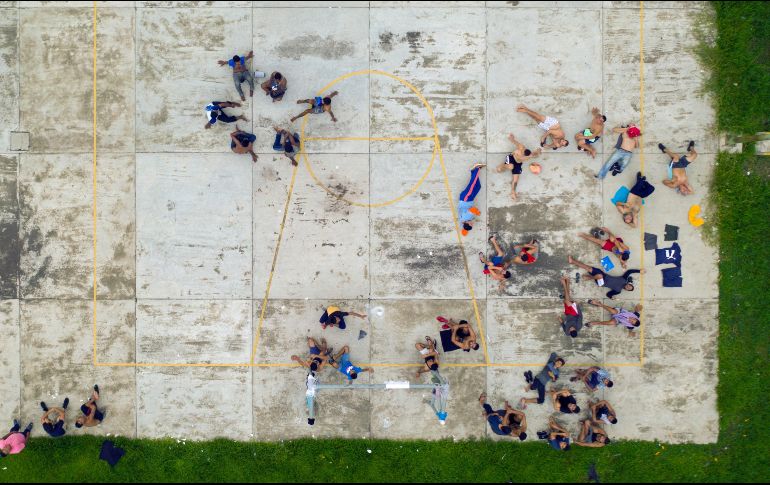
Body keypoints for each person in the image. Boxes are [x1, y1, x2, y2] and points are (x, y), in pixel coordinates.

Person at [567, 255, 643, 300]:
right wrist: (639, 271)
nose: (628, 287)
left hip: (601, 283)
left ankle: (589, 277)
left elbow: (609, 294)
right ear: (629, 284)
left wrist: (611, 298)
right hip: (604, 274)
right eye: (630, 286)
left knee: (599, 276)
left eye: (628, 288)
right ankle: (572, 261)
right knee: (588, 268)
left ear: (626, 289)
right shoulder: (624, 279)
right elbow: (629, 271)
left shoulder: (618, 291)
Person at [495, 133, 541, 199]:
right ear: (523, 150)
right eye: (522, 151)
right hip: (511, 158)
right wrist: (512, 139)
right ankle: (503, 166)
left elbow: (534, 154)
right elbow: (515, 143)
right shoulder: (521, 147)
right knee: (509, 167)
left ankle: (513, 192)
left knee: (516, 180)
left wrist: (538, 152)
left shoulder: (527, 157)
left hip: (518, 163)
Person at [458, 163, 486, 236]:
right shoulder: (463, 221)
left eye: (471, 224)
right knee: (478, 186)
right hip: (468, 199)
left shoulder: (467, 217)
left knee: (473, 184)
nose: (472, 224)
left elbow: (472, 209)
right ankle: (474, 172)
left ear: (467, 223)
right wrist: (465, 231)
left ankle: (476, 168)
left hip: (466, 198)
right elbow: (463, 229)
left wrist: (478, 213)